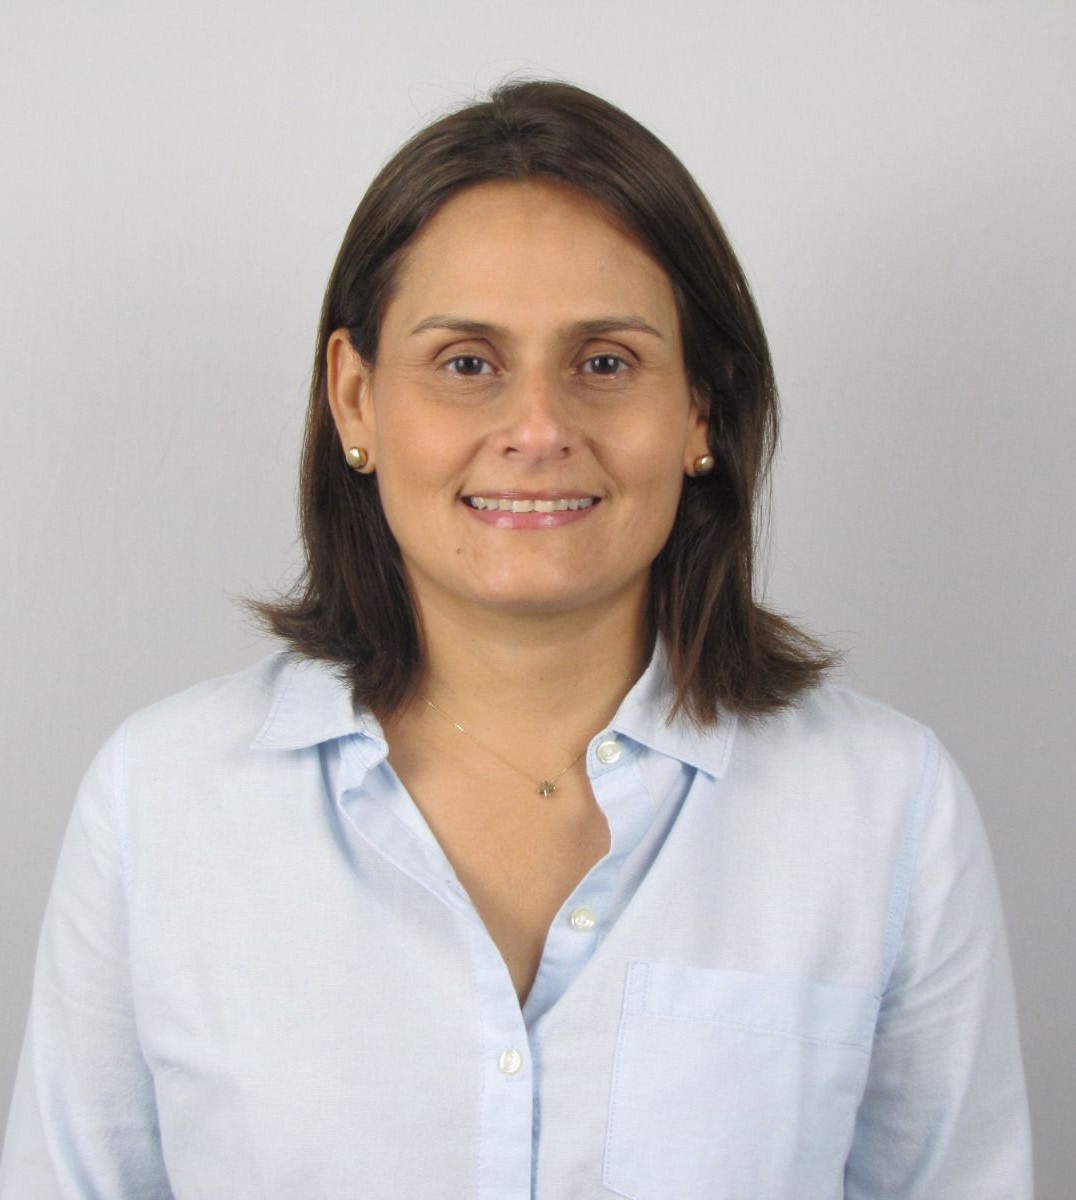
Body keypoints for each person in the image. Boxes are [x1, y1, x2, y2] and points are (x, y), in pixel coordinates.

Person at [0, 80, 1031, 1198]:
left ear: (700, 408)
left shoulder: (886, 809)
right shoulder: (161, 804)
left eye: (605, 362)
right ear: (355, 400)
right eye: (466, 363)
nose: (537, 430)